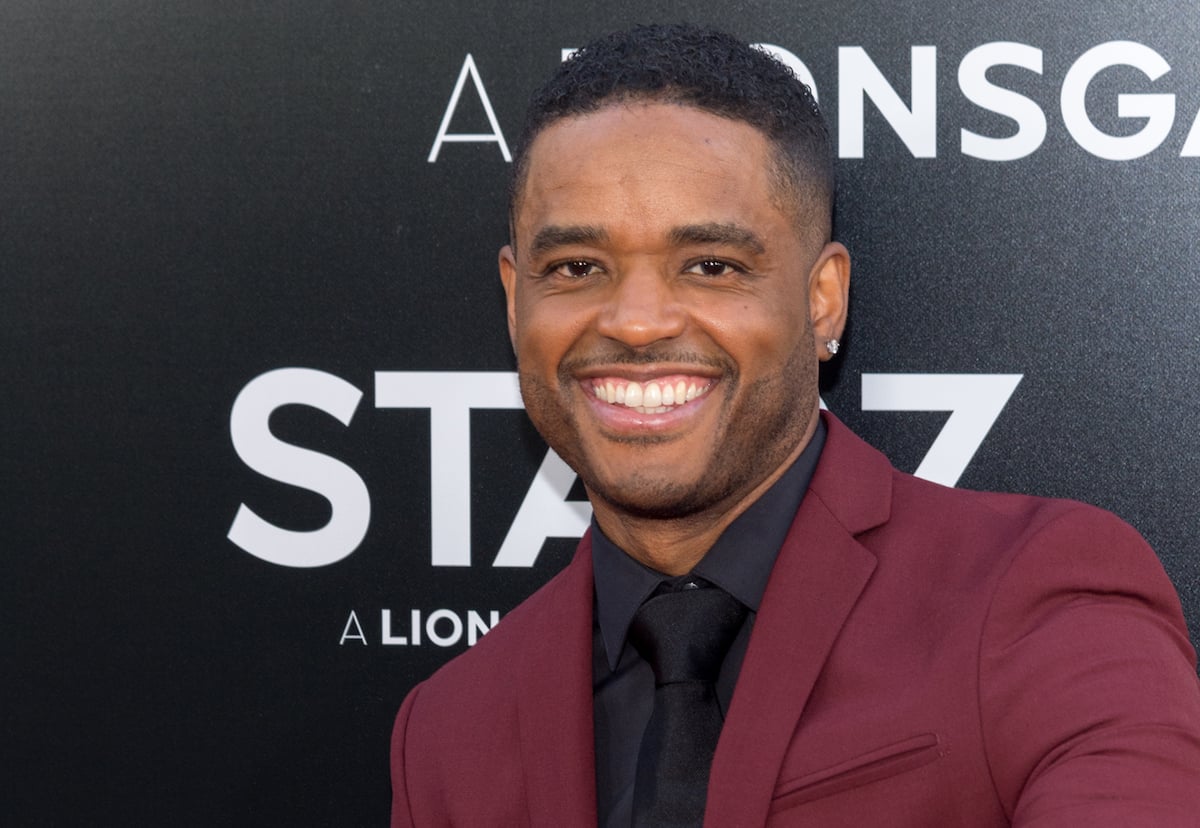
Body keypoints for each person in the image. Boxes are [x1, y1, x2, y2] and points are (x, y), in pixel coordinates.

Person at [390, 23, 1200, 826]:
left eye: (710, 266)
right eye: (576, 268)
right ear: (516, 300)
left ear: (822, 301)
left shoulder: (1031, 595)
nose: (635, 322)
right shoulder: (449, 730)